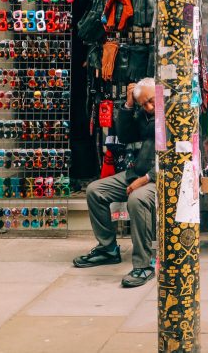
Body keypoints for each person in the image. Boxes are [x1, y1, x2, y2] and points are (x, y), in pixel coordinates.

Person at [73, 78, 158, 287]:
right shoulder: (144, 115)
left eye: (152, 101)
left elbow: (177, 158)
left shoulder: (173, 115)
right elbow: (125, 135)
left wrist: (146, 179)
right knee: (95, 190)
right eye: (144, 103)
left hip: (158, 178)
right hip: (135, 174)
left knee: (137, 200)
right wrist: (129, 106)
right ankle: (108, 248)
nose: (149, 107)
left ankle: (144, 265)